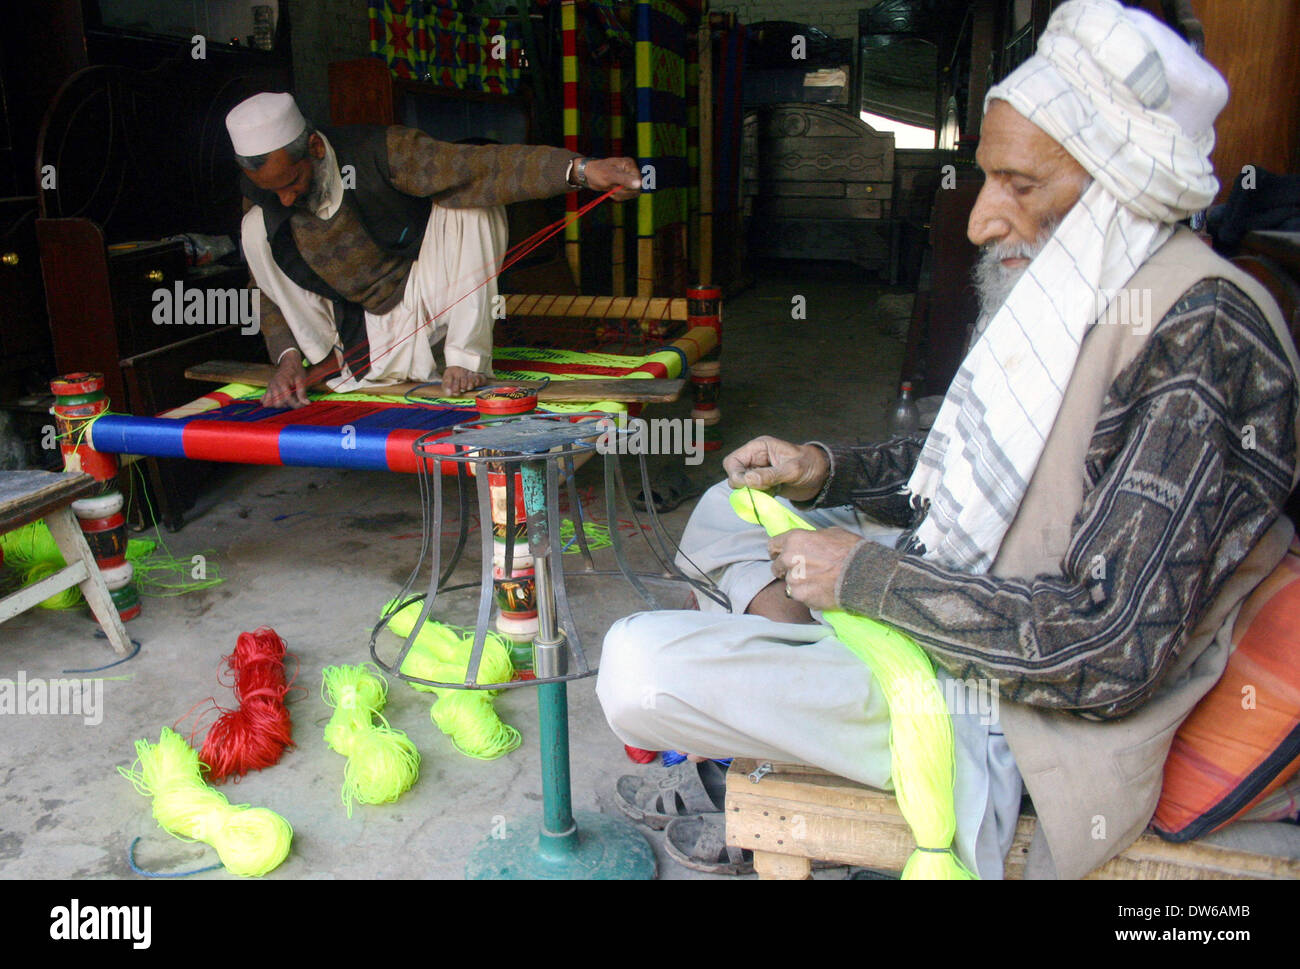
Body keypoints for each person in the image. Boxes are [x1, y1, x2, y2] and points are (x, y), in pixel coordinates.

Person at [597, 0, 1300, 879]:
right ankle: (798, 696)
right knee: (726, 508)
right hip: (962, 597)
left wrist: (867, 578)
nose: (980, 220)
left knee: (635, 667)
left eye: (1022, 185)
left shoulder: (1203, 336)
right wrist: (824, 471)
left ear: (1120, 185)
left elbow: (1108, 650)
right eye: (987, 178)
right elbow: (963, 460)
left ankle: (800, 715)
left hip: (1025, 713)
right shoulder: (1084, 285)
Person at [224, 92, 641, 406]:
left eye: (292, 182)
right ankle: (324, 361)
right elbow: (263, 285)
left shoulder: (382, 151)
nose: (285, 198)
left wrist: (582, 171)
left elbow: (482, 167)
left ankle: (465, 360)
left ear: (315, 148)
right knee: (255, 229)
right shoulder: (265, 196)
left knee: (475, 200)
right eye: (272, 189)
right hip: (349, 330)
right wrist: (285, 357)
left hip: (422, 298)